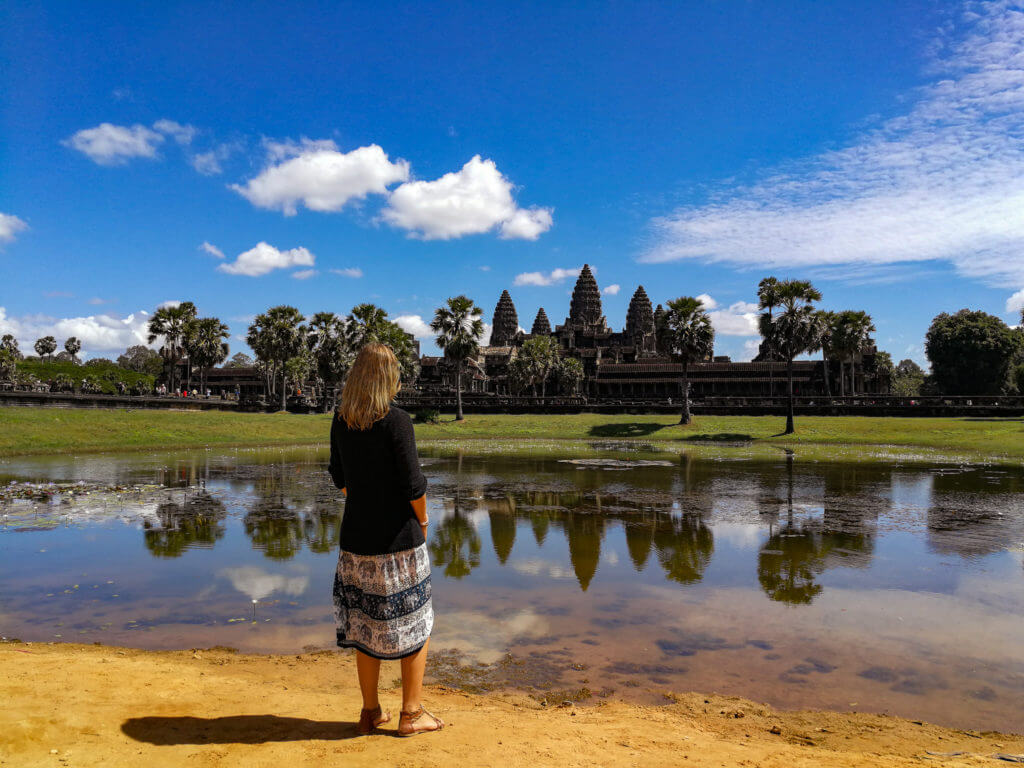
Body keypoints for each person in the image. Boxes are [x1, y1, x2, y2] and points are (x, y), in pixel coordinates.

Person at [328, 342, 443, 737]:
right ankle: (410, 713)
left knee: (364, 625)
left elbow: (340, 478)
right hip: (399, 543)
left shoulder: (341, 421)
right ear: (388, 379)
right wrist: (424, 521)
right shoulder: (397, 421)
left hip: (356, 542)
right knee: (416, 624)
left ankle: (369, 711)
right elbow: (414, 486)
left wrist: (363, 502)